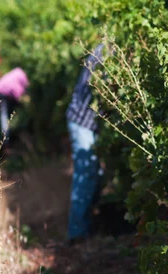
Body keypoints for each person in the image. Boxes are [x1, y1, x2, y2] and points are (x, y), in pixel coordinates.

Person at [65, 43, 106, 244]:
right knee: (86, 173)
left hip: (90, 123)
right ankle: (77, 235)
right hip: (83, 121)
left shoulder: (106, 48)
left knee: (96, 174)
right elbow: (106, 92)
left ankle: (88, 226)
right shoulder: (107, 52)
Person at [0, 67, 29, 144]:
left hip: (0, 90)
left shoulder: (18, 73)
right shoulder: (21, 79)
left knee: (6, 115)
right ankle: (5, 141)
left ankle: (7, 137)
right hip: (2, 93)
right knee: (4, 116)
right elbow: (18, 95)